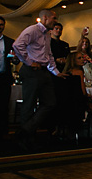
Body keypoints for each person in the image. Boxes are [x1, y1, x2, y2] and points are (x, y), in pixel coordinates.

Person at [12, 9, 60, 145]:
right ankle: (26, 140)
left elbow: (48, 54)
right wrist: (28, 61)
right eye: (54, 18)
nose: (56, 21)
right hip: (32, 70)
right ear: (45, 18)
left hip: (44, 71)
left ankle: (24, 131)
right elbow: (17, 45)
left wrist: (55, 72)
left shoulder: (47, 34)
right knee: (29, 104)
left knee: (50, 103)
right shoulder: (33, 30)